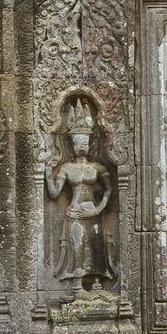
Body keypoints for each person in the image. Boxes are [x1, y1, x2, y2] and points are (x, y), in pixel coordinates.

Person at [45, 99, 116, 295]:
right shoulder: (67, 168)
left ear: (90, 142)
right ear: (72, 144)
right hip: (75, 212)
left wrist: (99, 208)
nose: (82, 145)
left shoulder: (98, 168)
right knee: (77, 246)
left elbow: (109, 190)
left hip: (93, 211)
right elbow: (53, 193)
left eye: (85, 141)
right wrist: (46, 172)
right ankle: (77, 284)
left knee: (96, 247)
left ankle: (96, 283)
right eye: (78, 142)